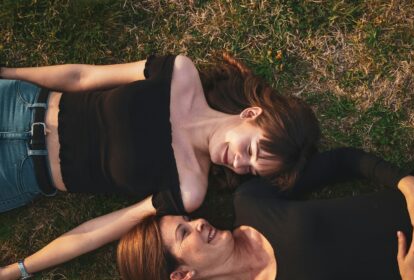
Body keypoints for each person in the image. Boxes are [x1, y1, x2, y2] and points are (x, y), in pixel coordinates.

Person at [0, 54, 320, 278]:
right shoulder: (179, 74)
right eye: (250, 149)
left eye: (249, 169)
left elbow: (98, 230)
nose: (238, 163)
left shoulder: (189, 189)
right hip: (18, 105)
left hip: (18, 174)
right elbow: (83, 76)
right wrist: (8, 73)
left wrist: (19, 270)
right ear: (251, 114)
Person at [116, 155, 414, 280]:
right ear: (181, 275)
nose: (198, 222)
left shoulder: (250, 201)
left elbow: (341, 162)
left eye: (187, 219)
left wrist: (405, 183)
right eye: (184, 233)